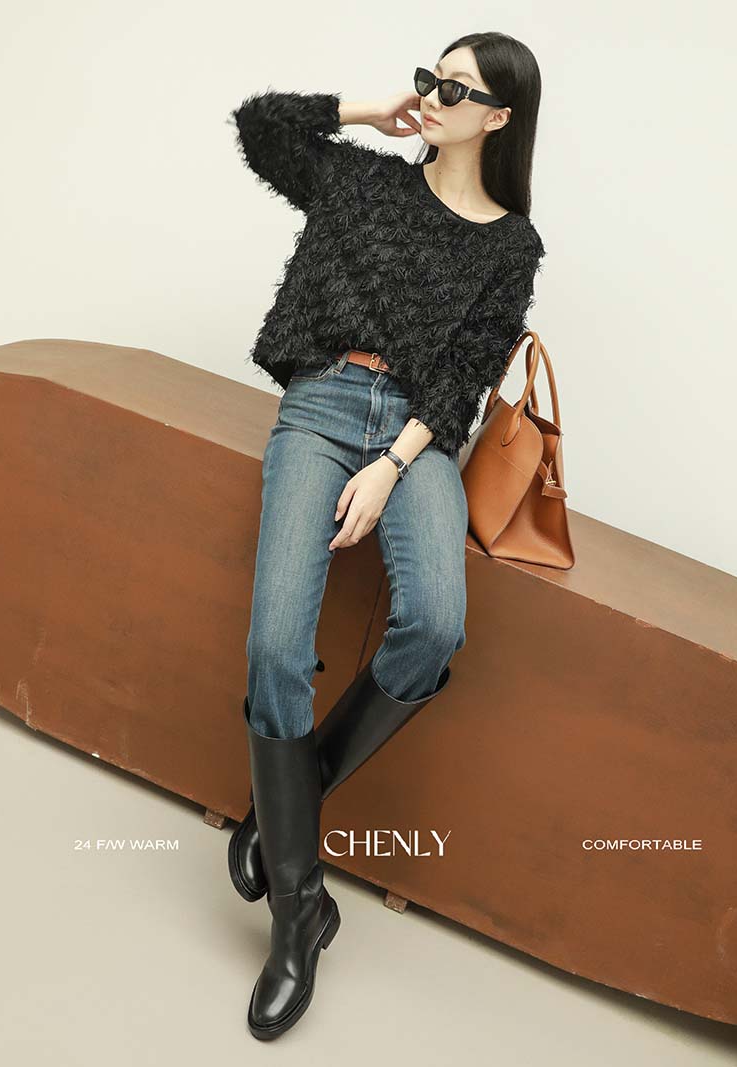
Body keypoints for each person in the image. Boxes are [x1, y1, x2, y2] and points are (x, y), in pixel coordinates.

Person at [225, 30, 546, 1041]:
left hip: (416, 435)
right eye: (429, 79)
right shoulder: (361, 183)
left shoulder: (510, 245)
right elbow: (258, 127)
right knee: (275, 648)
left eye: (458, 88)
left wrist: (393, 463)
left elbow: (464, 378)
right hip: (320, 407)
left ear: (499, 116)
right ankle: (298, 914)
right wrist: (370, 109)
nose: (435, 96)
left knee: (436, 625)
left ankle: (291, 798)